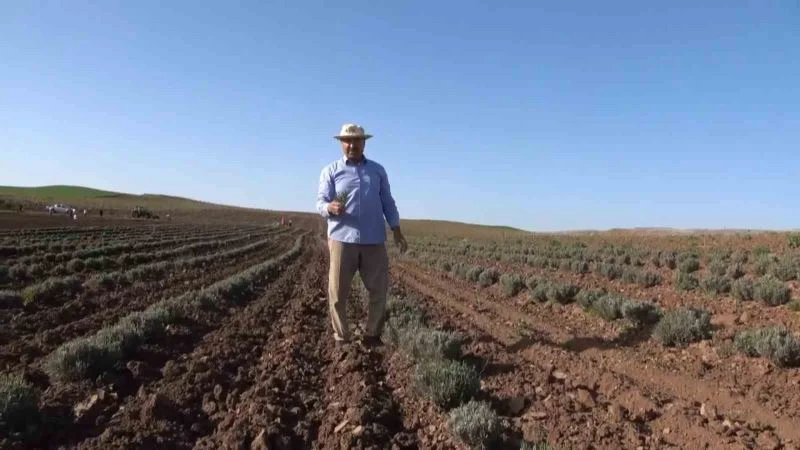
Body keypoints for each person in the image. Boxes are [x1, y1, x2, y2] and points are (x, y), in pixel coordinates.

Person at [316, 123, 408, 348]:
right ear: (341, 144)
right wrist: (330, 208)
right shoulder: (330, 170)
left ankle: (372, 335)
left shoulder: (377, 170)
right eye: (347, 141)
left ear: (364, 142)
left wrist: (396, 230)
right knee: (337, 292)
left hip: (373, 239)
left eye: (356, 140)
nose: (351, 145)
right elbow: (320, 202)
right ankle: (341, 337)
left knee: (379, 290)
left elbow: (388, 201)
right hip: (341, 239)